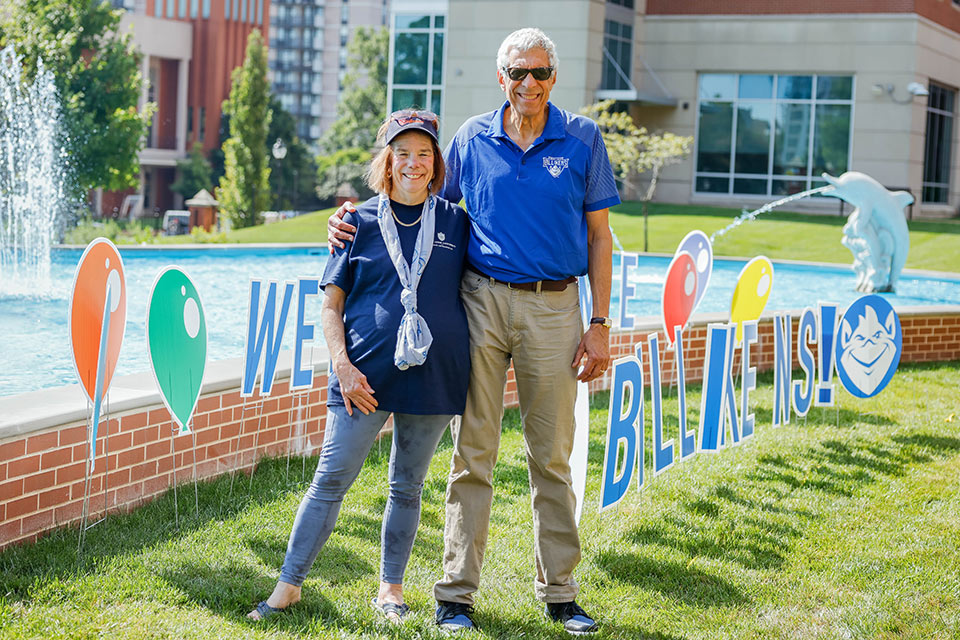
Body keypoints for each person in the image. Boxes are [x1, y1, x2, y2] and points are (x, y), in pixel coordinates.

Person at [328, 27, 618, 636]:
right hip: (480, 304)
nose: (528, 84)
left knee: (552, 458)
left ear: (553, 78)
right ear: (501, 77)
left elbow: (599, 237)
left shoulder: (584, 139)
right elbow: (421, 200)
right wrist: (352, 217)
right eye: (518, 73)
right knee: (473, 453)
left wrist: (599, 323)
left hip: (555, 307)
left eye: (539, 73)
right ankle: (456, 594)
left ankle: (561, 593)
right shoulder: (468, 140)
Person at [249, 110, 470, 624]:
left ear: (436, 163)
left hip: (434, 376)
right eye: (402, 153)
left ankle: (391, 590)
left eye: (423, 154)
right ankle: (288, 585)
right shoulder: (356, 223)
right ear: (387, 162)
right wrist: (344, 368)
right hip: (363, 378)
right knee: (331, 478)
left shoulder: (457, 223)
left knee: (407, 487)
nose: (413, 163)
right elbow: (330, 306)